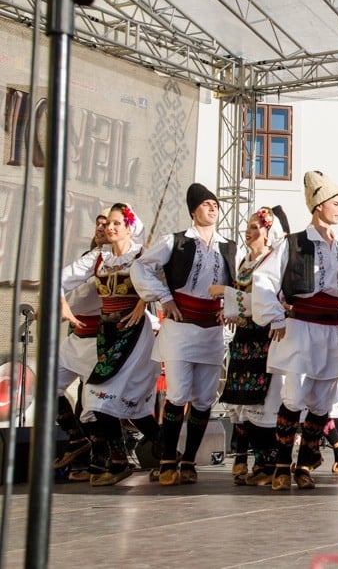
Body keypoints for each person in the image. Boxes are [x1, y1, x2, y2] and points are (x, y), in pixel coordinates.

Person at [253, 171, 338, 490]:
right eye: (336, 203)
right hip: (299, 327)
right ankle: (283, 464)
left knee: (323, 400)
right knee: (294, 395)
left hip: (331, 329)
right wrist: (276, 318)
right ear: (319, 205)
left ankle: (306, 462)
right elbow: (264, 280)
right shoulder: (293, 243)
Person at [132, 183, 238, 486]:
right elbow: (141, 267)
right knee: (178, 394)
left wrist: (229, 306)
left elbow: (240, 282)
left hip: (212, 331)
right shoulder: (175, 241)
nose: (213, 208)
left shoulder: (228, 246)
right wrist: (164, 298)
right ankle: (167, 459)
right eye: (206, 204)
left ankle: (190, 460)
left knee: (204, 399)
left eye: (215, 204)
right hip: (180, 328)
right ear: (193, 211)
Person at [61, 204, 161, 486]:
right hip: (107, 332)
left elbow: (163, 280)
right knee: (136, 407)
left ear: (129, 227)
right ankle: (169, 457)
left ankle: (118, 462)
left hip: (132, 332)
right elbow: (60, 278)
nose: (111, 228)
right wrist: (64, 307)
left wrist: (143, 302)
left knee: (94, 395)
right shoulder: (99, 257)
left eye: (117, 223)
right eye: (109, 224)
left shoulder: (141, 254)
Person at [209, 206, 288, 486]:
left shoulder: (272, 260)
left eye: (257, 227)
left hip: (264, 338)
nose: (250, 231)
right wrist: (228, 309)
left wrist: (227, 294)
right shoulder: (245, 262)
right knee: (242, 401)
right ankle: (253, 460)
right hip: (244, 340)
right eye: (250, 226)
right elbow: (243, 300)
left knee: (263, 401)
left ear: (268, 234)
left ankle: (268, 462)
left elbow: (261, 298)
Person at [53, 211, 110, 480]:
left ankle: (101, 461)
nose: (101, 227)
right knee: (48, 387)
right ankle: (76, 441)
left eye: (107, 223)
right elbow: (64, 286)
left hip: (96, 342)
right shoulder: (86, 261)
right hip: (76, 338)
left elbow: (85, 297)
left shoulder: (114, 262)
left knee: (92, 405)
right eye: (98, 223)